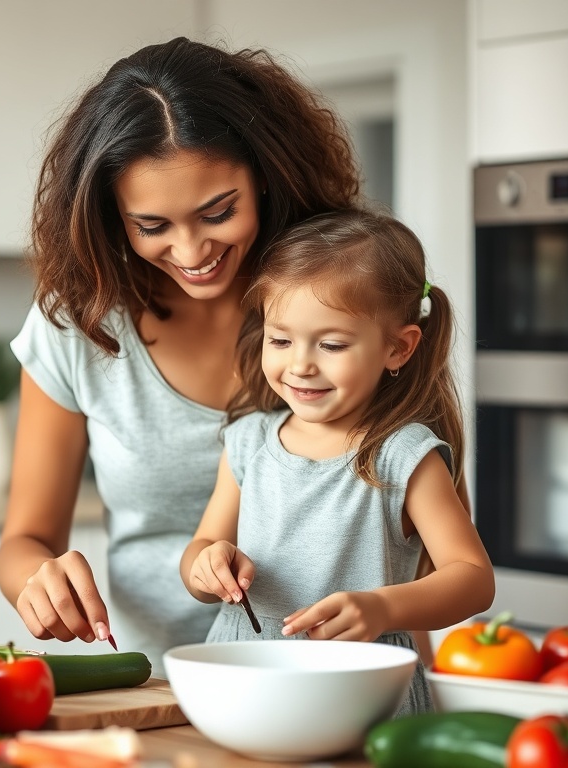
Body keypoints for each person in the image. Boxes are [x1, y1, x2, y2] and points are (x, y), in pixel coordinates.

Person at [0, 35, 362, 674]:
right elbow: (24, 540)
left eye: (218, 212)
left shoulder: (347, 297)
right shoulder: (79, 325)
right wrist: (40, 579)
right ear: (113, 219)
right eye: (153, 227)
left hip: (336, 678)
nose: (192, 252)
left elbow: (425, 528)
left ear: (268, 175)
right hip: (158, 684)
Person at [180, 208, 495, 713]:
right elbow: (200, 548)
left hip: (362, 695)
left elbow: (473, 578)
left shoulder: (402, 456)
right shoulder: (246, 443)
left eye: (331, 344)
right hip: (243, 683)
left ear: (398, 348)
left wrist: (381, 607)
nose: (300, 363)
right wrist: (206, 566)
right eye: (280, 339)